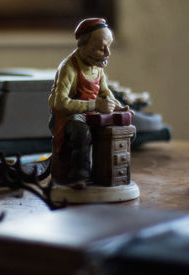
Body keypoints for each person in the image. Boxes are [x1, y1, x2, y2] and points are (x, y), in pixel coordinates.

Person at [48, 18, 132, 189]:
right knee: (82, 133)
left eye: (109, 46)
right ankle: (78, 176)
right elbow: (60, 102)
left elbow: (105, 92)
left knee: (124, 130)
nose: (107, 53)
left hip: (91, 115)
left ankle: (106, 173)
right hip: (68, 117)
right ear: (83, 46)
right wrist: (95, 105)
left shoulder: (97, 66)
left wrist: (118, 107)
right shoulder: (69, 68)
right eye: (101, 48)